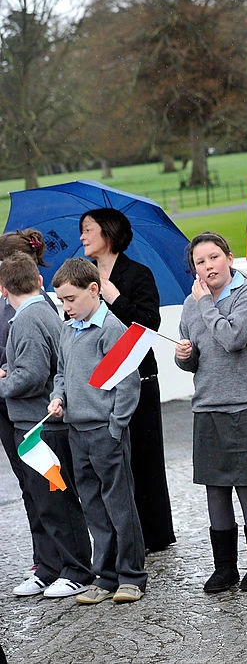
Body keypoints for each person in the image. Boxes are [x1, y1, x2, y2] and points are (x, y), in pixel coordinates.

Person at [175, 232, 247, 593]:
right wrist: (185, 357)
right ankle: (224, 568)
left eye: (213, 258)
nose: (207, 267)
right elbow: (197, 360)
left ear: (229, 258)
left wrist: (206, 305)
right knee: (215, 489)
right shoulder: (191, 304)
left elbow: (232, 337)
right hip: (208, 404)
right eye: (200, 262)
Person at [48, 257, 146, 604]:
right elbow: (61, 373)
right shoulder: (66, 328)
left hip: (106, 432)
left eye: (71, 299)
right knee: (92, 506)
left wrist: (116, 427)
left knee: (119, 505)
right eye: (61, 300)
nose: (66, 306)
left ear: (94, 290)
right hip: (77, 431)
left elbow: (128, 383)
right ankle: (106, 576)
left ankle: (132, 576)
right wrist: (58, 397)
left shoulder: (111, 329)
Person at [79, 208, 176, 553]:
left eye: (88, 230)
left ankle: (155, 533)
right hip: (99, 381)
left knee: (145, 457)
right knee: (111, 462)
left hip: (138, 377)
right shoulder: (83, 278)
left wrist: (114, 297)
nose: (82, 237)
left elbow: (149, 325)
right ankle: (121, 533)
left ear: (108, 232)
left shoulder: (137, 274)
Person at [0, 252, 93, 599]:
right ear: (38, 281)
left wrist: (5, 380)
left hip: (40, 426)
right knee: (47, 500)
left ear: (4, 288)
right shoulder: (42, 311)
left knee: (56, 500)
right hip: (39, 423)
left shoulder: (27, 319)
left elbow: (33, 375)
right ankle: (52, 567)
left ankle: (76, 570)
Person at [0, 231, 56, 587]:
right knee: (29, 486)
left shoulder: (31, 308)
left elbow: (32, 366)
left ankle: (54, 561)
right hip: (10, 408)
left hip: (26, 406)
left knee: (44, 486)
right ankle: (47, 558)